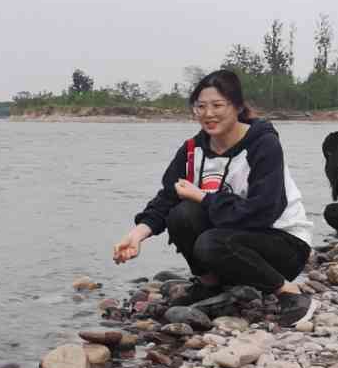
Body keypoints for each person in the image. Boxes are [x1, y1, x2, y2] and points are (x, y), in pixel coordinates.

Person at [112, 69, 315, 328]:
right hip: (233, 243)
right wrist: (138, 234)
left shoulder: (263, 145)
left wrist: (202, 197)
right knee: (182, 214)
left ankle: (289, 293)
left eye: (218, 105)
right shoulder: (191, 150)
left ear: (237, 106)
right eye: (201, 107)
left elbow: (263, 212)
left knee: (210, 241)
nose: (208, 114)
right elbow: (168, 197)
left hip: (284, 246)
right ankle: (210, 285)